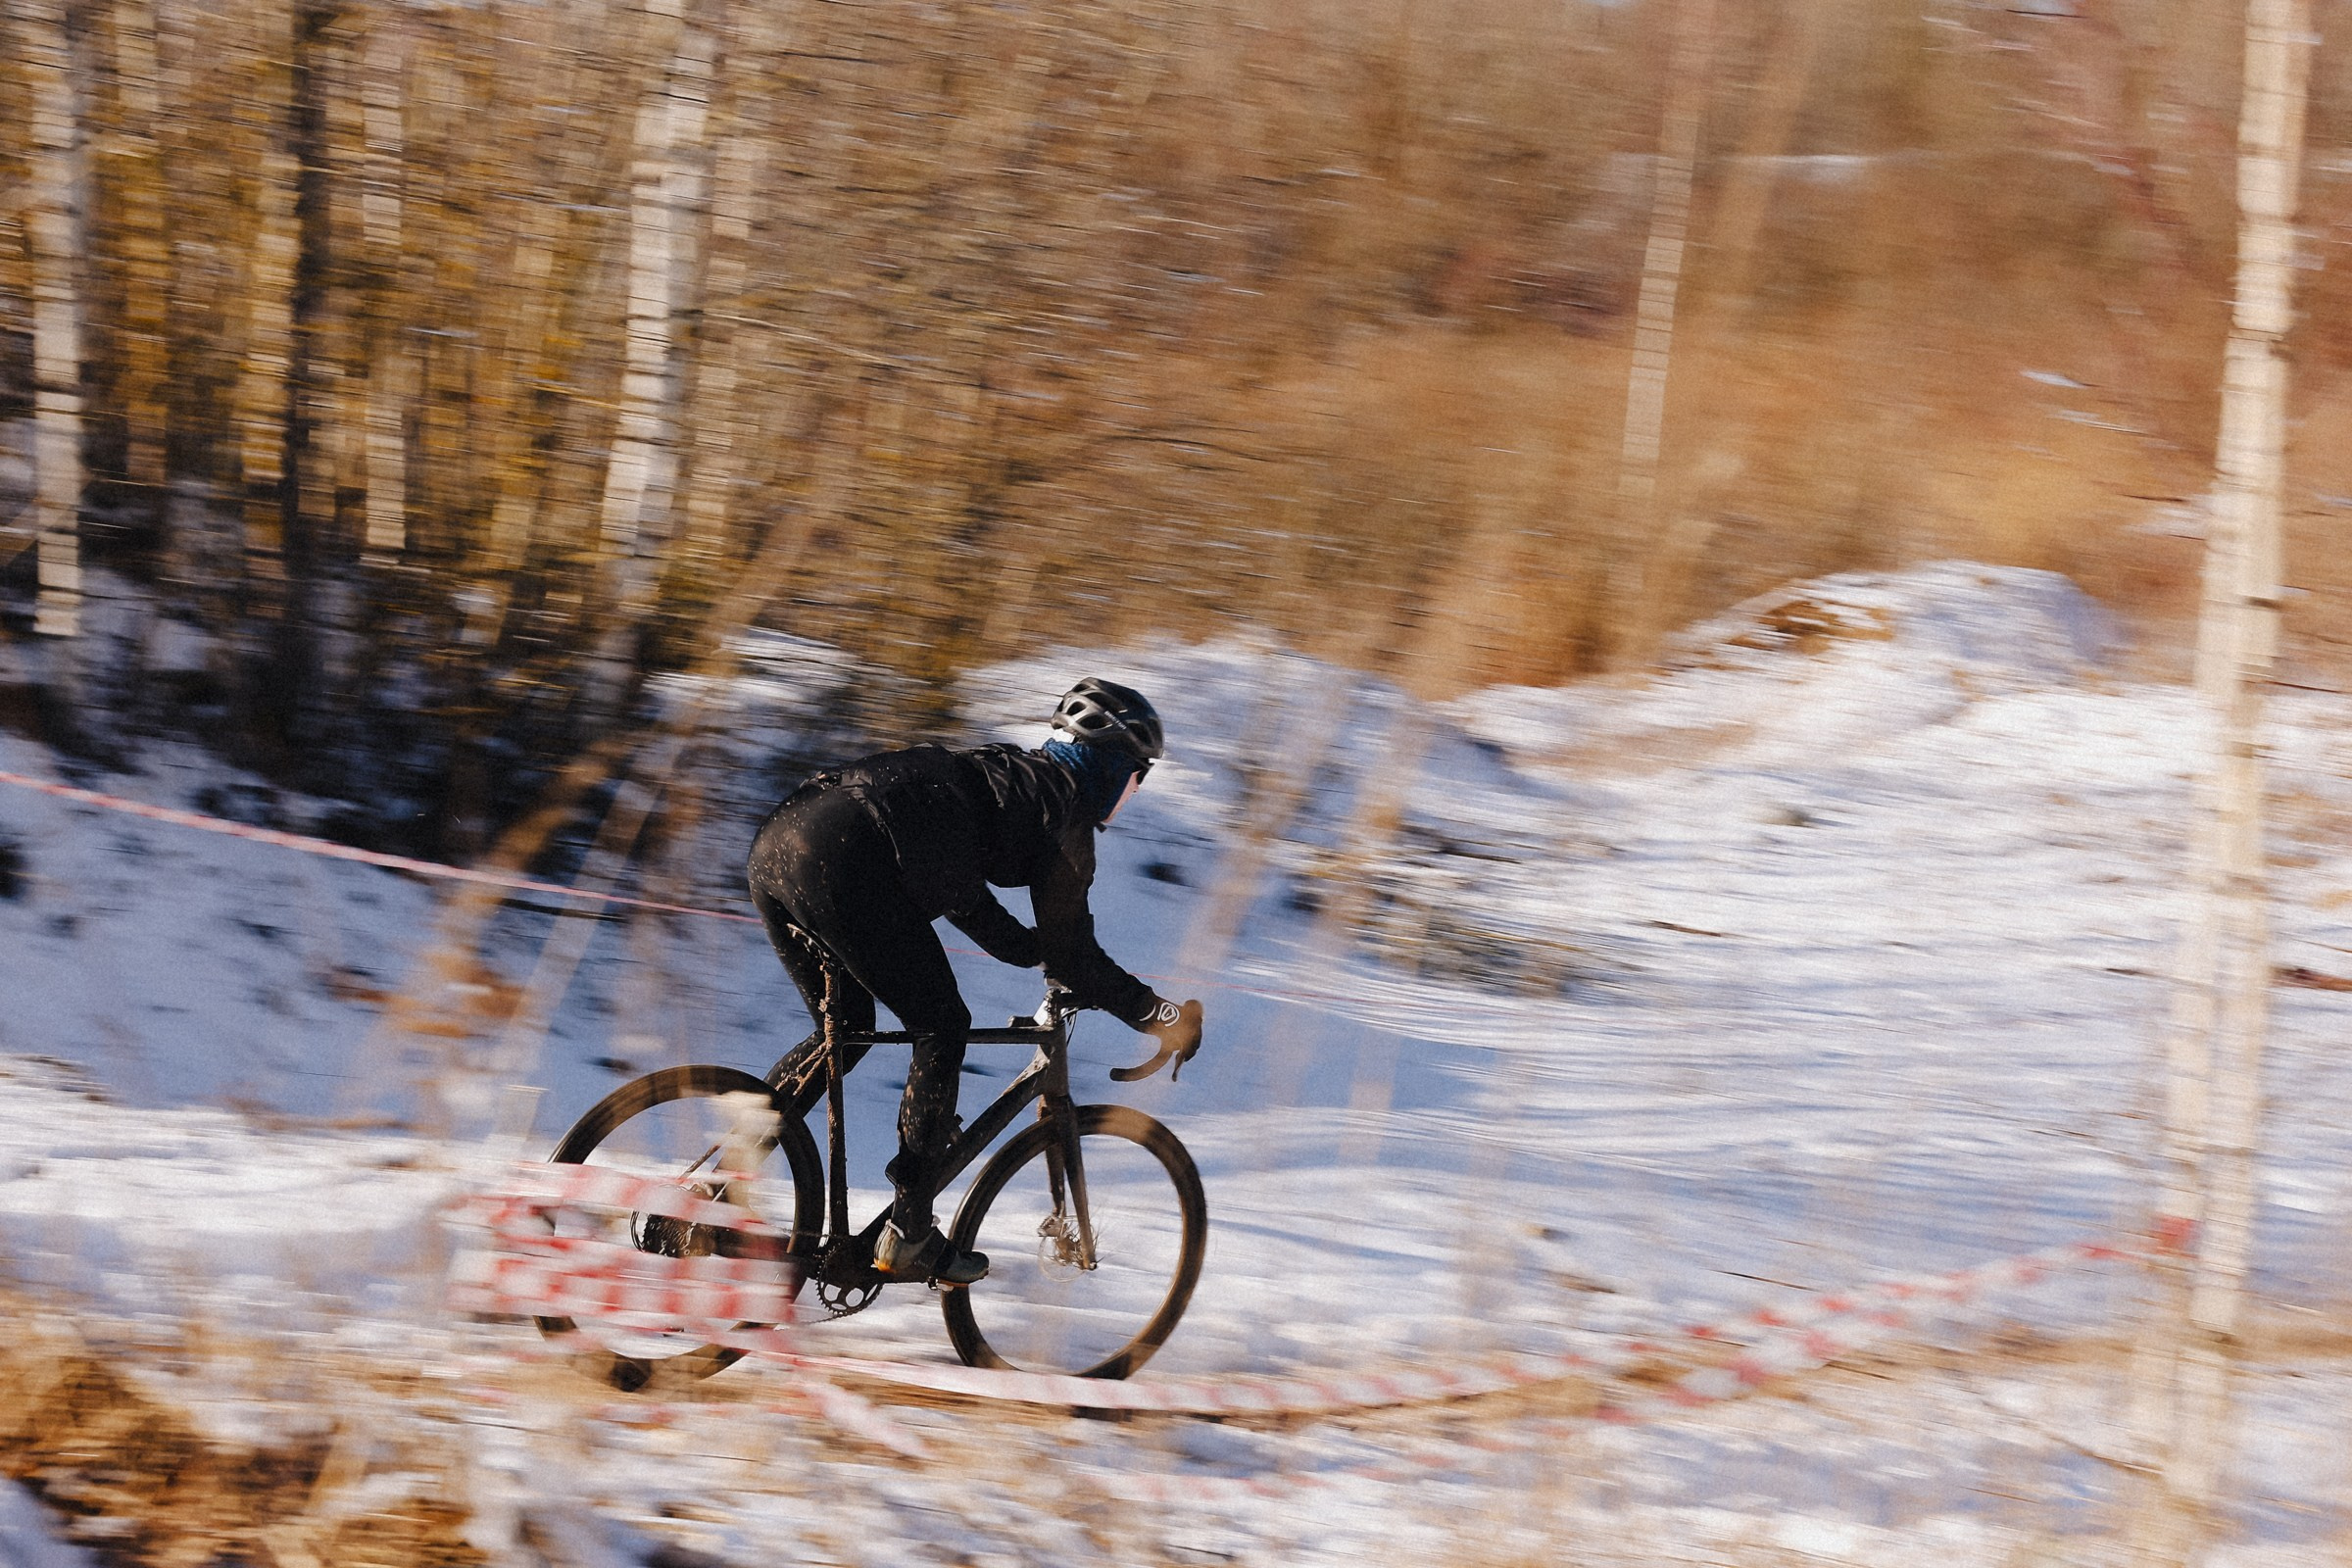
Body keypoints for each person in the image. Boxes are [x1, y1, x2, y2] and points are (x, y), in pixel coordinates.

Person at [744, 677, 1205, 1286]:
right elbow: (1074, 955)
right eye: (1136, 776)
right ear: (1112, 767)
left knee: (849, 1031)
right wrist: (1162, 1017)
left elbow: (951, 876)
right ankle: (908, 1231)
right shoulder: (1064, 817)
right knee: (942, 1023)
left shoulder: (1006, 773)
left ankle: (722, 1171)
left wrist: (1026, 949)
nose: (1132, 792)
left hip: (782, 838)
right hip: (849, 860)